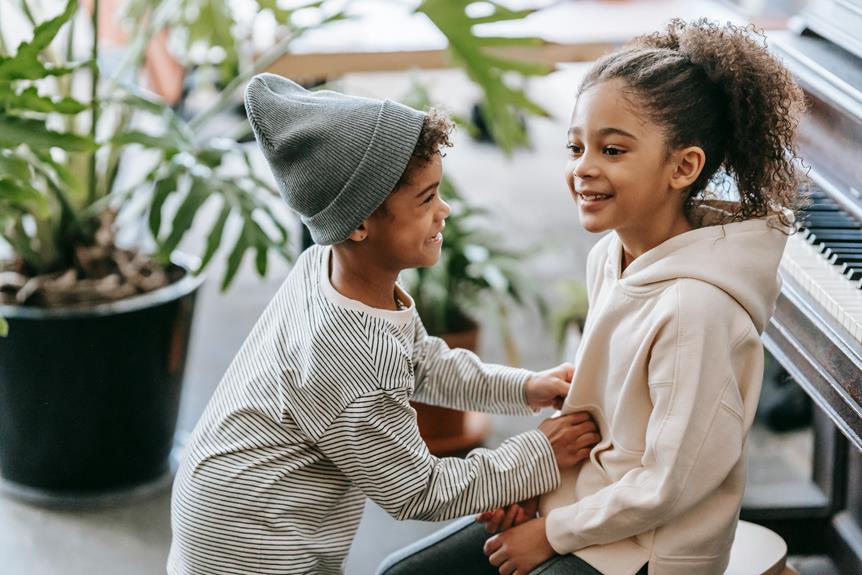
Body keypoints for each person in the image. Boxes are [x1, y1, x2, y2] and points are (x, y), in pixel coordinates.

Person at [378, 18, 805, 575]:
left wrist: (550, 533)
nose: (583, 167)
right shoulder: (610, 256)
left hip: (651, 549)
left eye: (612, 149)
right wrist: (534, 482)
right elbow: (593, 419)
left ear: (684, 167)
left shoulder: (698, 310)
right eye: (576, 146)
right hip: (587, 509)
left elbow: (671, 483)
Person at [167, 73, 601, 575]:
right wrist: (537, 456)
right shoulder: (345, 357)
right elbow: (418, 491)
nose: (445, 210)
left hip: (222, 500)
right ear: (358, 223)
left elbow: (422, 361)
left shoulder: (331, 270)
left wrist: (525, 388)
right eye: (426, 199)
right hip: (254, 546)